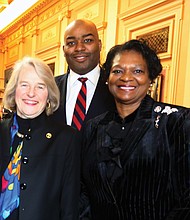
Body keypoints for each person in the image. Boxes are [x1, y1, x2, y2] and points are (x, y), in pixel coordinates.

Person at [80, 39, 190, 220]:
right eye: (117, 71)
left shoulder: (176, 122)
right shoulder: (93, 127)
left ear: (151, 79)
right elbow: (83, 190)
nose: (126, 78)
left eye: (137, 71)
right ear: (108, 79)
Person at [0, 56, 80, 220]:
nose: (31, 93)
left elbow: (69, 207)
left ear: (49, 95)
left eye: (40, 86)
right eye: (24, 85)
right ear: (14, 89)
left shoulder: (66, 138)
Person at [53, 19, 115, 131]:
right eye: (71, 43)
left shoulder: (117, 87)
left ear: (100, 45)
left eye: (87, 40)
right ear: (64, 50)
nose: (79, 48)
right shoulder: (50, 87)